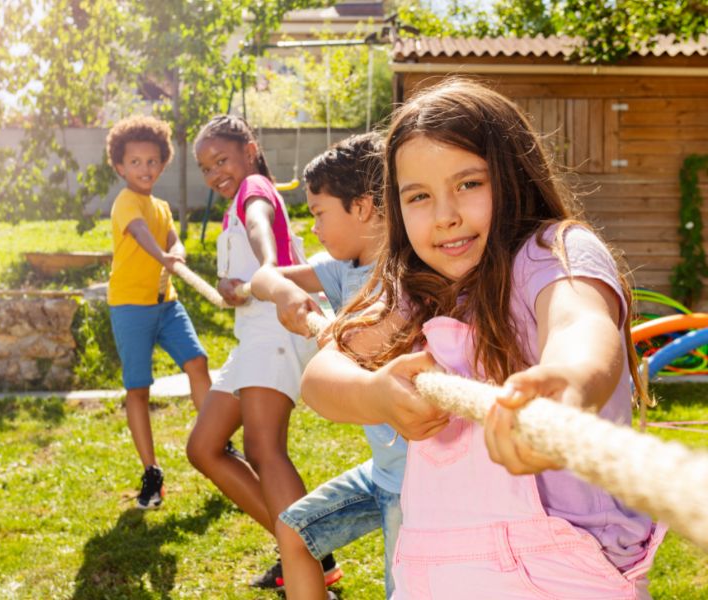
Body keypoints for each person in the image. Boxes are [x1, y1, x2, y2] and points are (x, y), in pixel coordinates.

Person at [300, 79, 665, 599]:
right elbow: (321, 376)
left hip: (564, 573)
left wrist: (565, 386)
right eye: (419, 196)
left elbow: (580, 323)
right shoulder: (417, 290)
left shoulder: (553, 252)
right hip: (437, 568)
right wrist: (373, 391)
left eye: (469, 184)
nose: (445, 213)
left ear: (514, 178)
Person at [186, 115, 340, 595]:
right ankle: (310, 550)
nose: (215, 173)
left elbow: (259, 226)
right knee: (204, 447)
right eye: (206, 168)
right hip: (253, 338)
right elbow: (245, 258)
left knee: (262, 449)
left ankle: (307, 565)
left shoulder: (254, 188)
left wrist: (269, 269)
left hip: (276, 332)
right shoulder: (235, 205)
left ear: (250, 150)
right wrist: (231, 285)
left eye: (222, 159)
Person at [250, 132, 407, 599]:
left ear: (361, 207)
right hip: (383, 471)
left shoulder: (410, 276)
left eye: (319, 213)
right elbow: (264, 276)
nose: (313, 227)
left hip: (418, 484)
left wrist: (327, 327)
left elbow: (364, 353)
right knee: (295, 533)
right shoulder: (342, 269)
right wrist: (284, 292)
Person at [106, 115, 212, 510]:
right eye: (135, 162)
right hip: (130, 306)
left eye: (152, 161)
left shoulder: (161, 206)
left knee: (197, 361)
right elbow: (141, 235)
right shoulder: (125, 203)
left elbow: (170, 236)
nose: (144, 169)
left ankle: (216, 439)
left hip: (166, 304)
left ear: (162, 163)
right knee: (138, 387)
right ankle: (151, 471)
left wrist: (178, 250)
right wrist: (164, 255)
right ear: (120, 166)